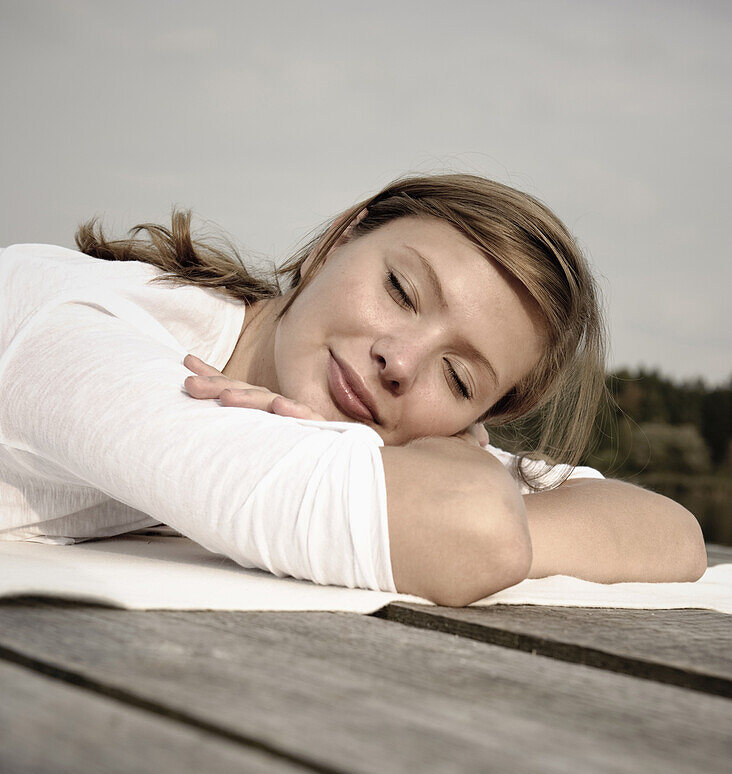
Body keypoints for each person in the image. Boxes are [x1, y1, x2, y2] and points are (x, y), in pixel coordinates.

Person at [0, 174, 706, 606]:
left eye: (459, 379)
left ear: (482, 418)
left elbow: (672, 535)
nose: (400, 361)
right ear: (338, 239)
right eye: (401, 290)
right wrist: (468, 502)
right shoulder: (76, 326)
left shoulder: (380, 433)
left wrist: (459, 479)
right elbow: (474, 532)